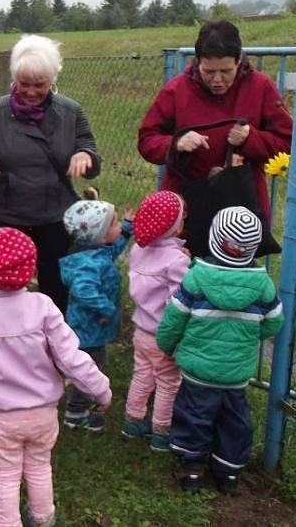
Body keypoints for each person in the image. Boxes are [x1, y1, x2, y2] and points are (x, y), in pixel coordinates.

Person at [0, 227, 112, 527]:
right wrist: (100, 388)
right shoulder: (43, 307)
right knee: (40, 467)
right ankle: (43, 518)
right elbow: (70, 357)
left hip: (2, 417)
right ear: (31, 271)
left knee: (5, 475)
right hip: (42, 413)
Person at [0, 34, 101, 314]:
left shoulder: (71, 111)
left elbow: (90, 151)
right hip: (7, 213)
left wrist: (84, 155)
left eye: (39, 85)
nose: (30, 92)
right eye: (23, 84)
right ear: (15, 78)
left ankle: (53, 342)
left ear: (52, 80)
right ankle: (1, 340)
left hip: (54, 215)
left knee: (55, 289)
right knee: (2, 291)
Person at [157, 206, 283, 494]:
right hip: (236, 373)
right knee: (234, 420)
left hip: (198, 371)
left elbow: (174, 318)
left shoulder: (197, 277)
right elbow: (274, 322)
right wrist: (250, 335)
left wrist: (167, 345)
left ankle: (191, 468)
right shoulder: (263, 283)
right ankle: (228, 474)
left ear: (214, 238)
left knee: (194, 415)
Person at [138, 20, 292, 244]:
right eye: (209, 71)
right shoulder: (176, 90)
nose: (218, 80)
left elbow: (288, 144)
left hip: (242, 211)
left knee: (236, 279)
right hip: (186, 210)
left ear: (239, 60)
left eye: (226, 71)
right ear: (198, 61)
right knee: (182, 274)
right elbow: (146, 140)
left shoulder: (261, 87)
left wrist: (251, 138)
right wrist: (176, 143)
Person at [123, 191, 190, 452]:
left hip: (141, 330)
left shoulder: (138, 251)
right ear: (172, 226)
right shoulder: (176, 260)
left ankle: (133, 420)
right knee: (168, 382)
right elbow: (180, 299)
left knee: (142, 375)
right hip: (164, 334)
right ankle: (161, 431)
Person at [59, 199, 134, 431]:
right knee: (89, 369)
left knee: (94, 366)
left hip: (92, 328)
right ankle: (75, 412)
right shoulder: (88, 264)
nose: (118, 226)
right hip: (87, 330)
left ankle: (86, 404)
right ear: (100, 236)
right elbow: (84, 290)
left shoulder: (97, 251)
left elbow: (115, 247)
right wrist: (107, 309)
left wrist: (128, 226)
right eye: (114, 224)